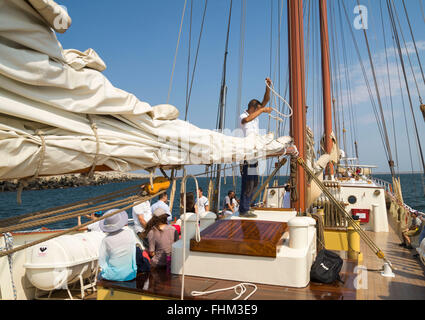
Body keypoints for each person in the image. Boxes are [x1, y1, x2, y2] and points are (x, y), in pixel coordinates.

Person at [238, 78, 274, 218]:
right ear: (252, 108)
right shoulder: (244, 115)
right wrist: (263, 110)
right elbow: (246, 120)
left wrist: (267, 87)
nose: (260, 113)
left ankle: (247, 206)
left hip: (255, 153)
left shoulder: (255, 114)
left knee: (254, 182)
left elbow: (265, 101)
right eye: (258, 110)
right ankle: (243, 209)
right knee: (248, 181)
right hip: (247, 154)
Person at [98, 209, 138, 281]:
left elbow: (102, 262)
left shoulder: (106, 240)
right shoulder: (130, 233)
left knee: (99, 275)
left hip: (112, 276)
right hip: (131, 274)